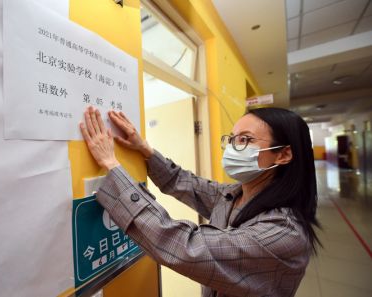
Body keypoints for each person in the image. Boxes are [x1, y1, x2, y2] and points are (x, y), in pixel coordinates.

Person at [79, 106, 320, 297]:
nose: (233, 148)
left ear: (284, 154)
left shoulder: (283, 233)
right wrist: (145, 150)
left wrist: (112, 165)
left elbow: (184, 246)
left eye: (245, 140)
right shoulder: (235, 194)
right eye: (232, 138)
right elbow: (184, 183)